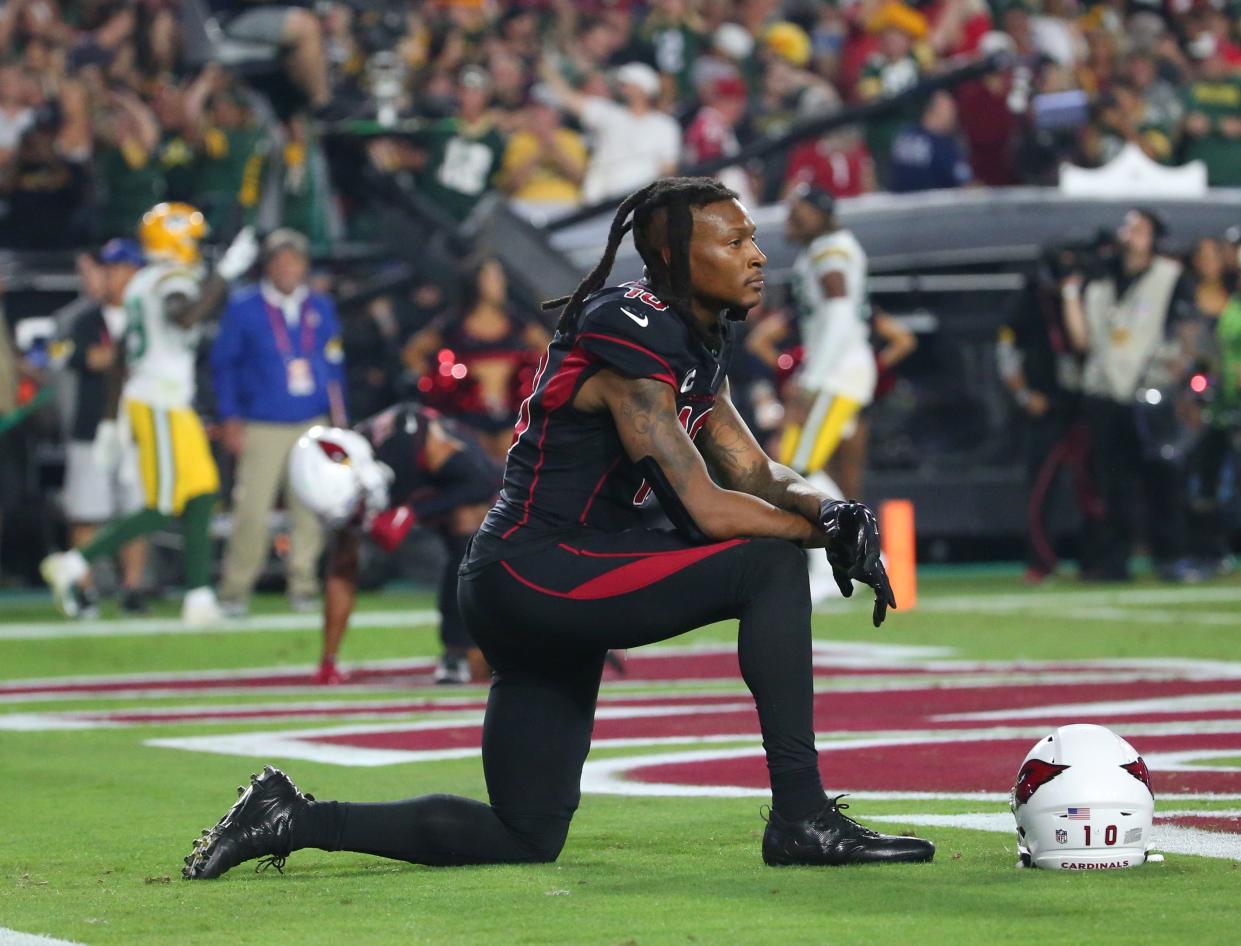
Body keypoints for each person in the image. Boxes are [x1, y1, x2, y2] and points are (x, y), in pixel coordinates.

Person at [182, 176, 927, 882]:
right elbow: (702, 506)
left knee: (524, 832)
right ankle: (801, 816)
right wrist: (816, 533)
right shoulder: (633, 338)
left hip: (549, 575)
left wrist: (827, 508)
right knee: (763, 566)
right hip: (539, 568)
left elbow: (756, 472)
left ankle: (291, 818)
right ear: (670, 256)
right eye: (732, 242)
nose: (756, 254)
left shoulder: (690, 337)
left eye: (751, 238)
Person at [40, 203, 259, 624]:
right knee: (161, 503)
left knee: (201, 493)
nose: (197, 247)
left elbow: (121, 354)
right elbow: (183, 316)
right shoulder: (171, 279)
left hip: (165, 401)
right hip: (158, 400)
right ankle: (74, 564)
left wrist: (109, 420)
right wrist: (224, 276)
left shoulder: (142, 281)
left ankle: (199, 598)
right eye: (191, 239)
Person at [286, 403, 502, 686]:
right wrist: (329, 659)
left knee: (468, 521)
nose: (358, 514)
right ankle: (330, 658)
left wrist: (411, 513)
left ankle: (459, 649)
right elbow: (343, 568)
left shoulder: (408, 443)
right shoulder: (345, 481)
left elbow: (482, 482)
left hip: (482, 494)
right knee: (343, 557)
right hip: (425, 497)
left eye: (358, 505)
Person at [211, 228, 346, 617]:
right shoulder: (244, 307)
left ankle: (303, 584)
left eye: (294, 260)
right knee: (251, 509)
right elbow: (224, 367)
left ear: (304, 266)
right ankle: (235, 590)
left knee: (310, 509)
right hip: (263, 421)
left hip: (312, 420)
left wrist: (339, 420)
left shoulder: (320, 307)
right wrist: (230, 416)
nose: (287, 268)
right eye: (280, 260)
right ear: (267, 265)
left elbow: (334, 365)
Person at [1060, 209, 1198, 582]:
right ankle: (1112, 561)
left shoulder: (1169, 276)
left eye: (1139, 228)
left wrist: (1180, 366)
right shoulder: (1101, 280)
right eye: (1127, 228)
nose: (1130, 234)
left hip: (1150, 389)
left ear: (1154, 237)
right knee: (1111, 483)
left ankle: (1171, 556)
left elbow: (1186, 326)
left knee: (1162, 477)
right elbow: (1082, 340)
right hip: (1105, 391)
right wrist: (1069, 293)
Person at [55, 242, 149, 616]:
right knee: (86, 512)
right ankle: (84, 588)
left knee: (137, 511)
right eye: (109, 269)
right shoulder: (83, 319)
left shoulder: (149, 315)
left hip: (139, 428)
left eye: (122, 269)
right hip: (93, 428)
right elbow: (72, 355)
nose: (114, 276)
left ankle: (132, 588)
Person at [777, 184, 876, 498]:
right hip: (837, 369)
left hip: (837, 373)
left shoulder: (828, 248)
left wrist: (811, 381)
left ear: (820, 214)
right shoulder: (824, 246)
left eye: (798, 211)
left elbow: (839, 311)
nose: (790, 217)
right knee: (802, 467)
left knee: (795, 469)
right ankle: (848, 544)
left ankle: (849, 543)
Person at [402, 257, 547, 462]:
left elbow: (547, 347)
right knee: (484, 475)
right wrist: (438, 384)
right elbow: (412, 352)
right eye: (494, 277)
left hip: (511, 414)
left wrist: (532, 379)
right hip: (469, 419)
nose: (501, 283)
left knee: (511, 473)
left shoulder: (515, 320)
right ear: (476, 282)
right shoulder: (454, 323)